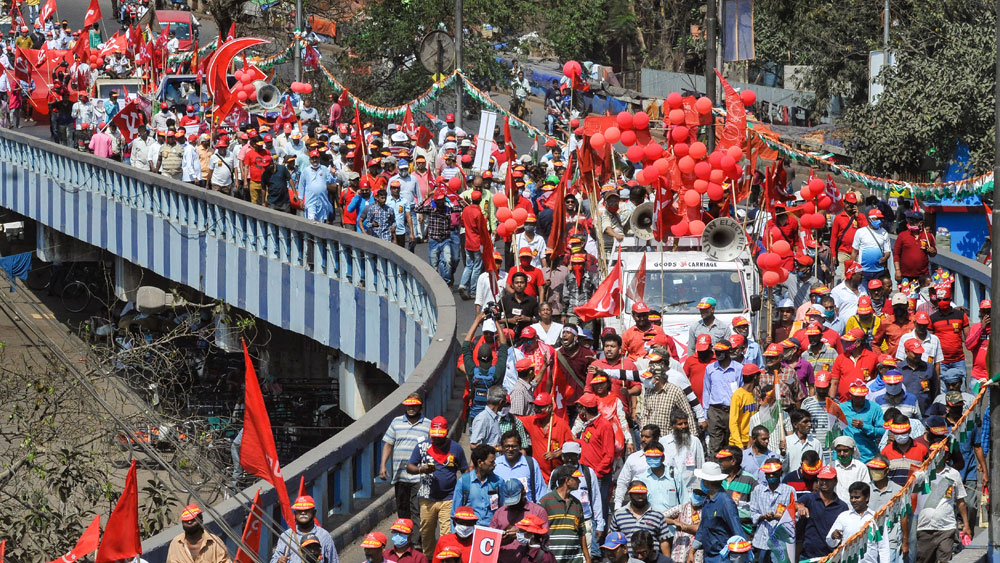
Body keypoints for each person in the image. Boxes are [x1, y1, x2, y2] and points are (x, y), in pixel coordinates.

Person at [407, 417, 469, 557]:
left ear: (446, 433)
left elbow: (465, 470)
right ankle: (428, 558)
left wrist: (466, 490)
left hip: (449, 497)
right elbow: (410, 466)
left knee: (446, 532)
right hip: (427, 497)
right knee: (427, 532)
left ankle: (445, 557)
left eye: (439, 436)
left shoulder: (456, 448)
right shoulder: (422, 446)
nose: (435, 439)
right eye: (433, 435)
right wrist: (421, 469)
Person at [381, 394, 432, 543]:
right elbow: (388, 444)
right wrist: (382, 465)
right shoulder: (396, 422)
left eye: (414, 405)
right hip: (400, 475)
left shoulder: (428, 425)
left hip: (419, 476)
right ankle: (404, 541)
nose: (411, 408)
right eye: (408, 405)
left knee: (417, 510)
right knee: (403, 511)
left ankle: (416, 544)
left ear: (420, 407)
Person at [913, 443, 972, 563]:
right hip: (924, 528)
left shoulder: (953, 474)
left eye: (940, 453)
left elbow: (960, 501)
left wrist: (966, 525)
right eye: (934, 453)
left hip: (946, 527)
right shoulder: (921, 474)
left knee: (944, 559)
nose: (937, 456)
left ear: (946, 455)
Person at [688, 462, 742, 563]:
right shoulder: (707, 500)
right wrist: (692, 551)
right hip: (709, 555)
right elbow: (702, 527)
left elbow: (737, 531)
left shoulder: (725, 502)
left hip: (723, 557)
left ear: (707, 482)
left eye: (702, 480)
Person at [825, 483, 889, 563]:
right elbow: (830, 542)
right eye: (851, 497)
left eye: (857, 497)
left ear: (866, 498)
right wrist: (833, 536)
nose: (853, 500)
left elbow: (883, 546)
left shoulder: (876, 518)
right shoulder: (844, 516)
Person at [540, 465, 591, 563]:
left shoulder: (577, 504)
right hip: (553, 558)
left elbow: (582, 532)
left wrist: (587, 558)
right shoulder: (545, 502)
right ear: (567, 480)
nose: (579, 482)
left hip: (574, 559)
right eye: (576, 479)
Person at [748, 459, 795, 563]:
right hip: (762, 540)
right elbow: (753, 513)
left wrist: (782, 518)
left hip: (781, 541)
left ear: (780, 473)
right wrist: (763, 516)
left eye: (774, 473)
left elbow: (795, 517)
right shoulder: (758, 489)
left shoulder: (789, 490)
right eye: (768, 474)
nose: (771, 476)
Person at [520, 392, 575, 480]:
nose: (536, 409)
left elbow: (572, 447)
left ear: (549, 408)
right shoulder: (532, 421)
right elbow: (515, 419)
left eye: (540, 407)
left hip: (557, 476)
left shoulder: (562, 424)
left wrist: (556, 454)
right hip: (538, 476)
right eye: (535, 406)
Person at [608, 481, 670, 558]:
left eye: (643, 493)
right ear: (629, 494)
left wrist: (668, 560)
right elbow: (612, 540)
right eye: (636, 493)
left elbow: (664, 541)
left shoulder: (657, 515)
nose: (640, 496)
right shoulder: (619, 515)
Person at [491, 479, 548, 561]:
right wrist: (503, 540)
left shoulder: (538, 511)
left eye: (515, 501)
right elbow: (490, 540)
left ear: (523, 493)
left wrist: (523, 533)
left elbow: (545, 541)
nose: (513, 505)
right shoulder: (499, 513)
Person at [865, 455, 908, 563]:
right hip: (869, 542)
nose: (874, 472)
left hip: (891, 541)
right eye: (872, 469)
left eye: (878, 469)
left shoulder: (898, 491)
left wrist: (905, 542)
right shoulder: (865, 490)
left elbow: (903, 517)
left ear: (886, 471)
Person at [270, 496, 340, 563]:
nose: (303, 513)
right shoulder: (287, 536)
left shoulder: (324, 536)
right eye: (299, 511)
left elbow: (333, 560)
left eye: (306, 510)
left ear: (314, 513)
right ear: (295, 513)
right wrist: (279, 561)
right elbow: (274, 560)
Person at [703, 338, 743, 454]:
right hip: (715, 410)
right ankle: (714, 468)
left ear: (729, 351)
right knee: (715, 445)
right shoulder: (710, 368)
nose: (719, 354)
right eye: (717, 351)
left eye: (722, 351)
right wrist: (705, 414)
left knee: (732, 443)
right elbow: (706, 391)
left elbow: (742, 390)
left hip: (733, 410)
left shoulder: (738, 369)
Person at [928, 288, 969, 386]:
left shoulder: (960, 315)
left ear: (950, 300)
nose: (942, 302)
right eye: (939, 300)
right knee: (943, 390)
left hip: (959, 360)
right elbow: (930, 341)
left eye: (945, 299)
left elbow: (969, 338)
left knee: (962, 389)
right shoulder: (933, 318)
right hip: (941, 362)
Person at [494, 431, 548, 503]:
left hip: (527, 511)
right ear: (502, 447)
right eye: (507, 446)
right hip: (503, 511)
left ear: (520, 447)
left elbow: (540, 490)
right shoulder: (495, 465)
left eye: (514, 446)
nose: (510, 449)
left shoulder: (530, 463)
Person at [165, 505, 230, 563]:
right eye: (186, 520)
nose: (189, 522)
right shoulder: (176, 543)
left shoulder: (214, 542)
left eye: (193, 519)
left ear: (201, 520)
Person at [838, 381, 884, 462]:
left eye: (862, 396)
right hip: (847, 458)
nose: (859, 399)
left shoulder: (875, 408)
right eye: (856, 396)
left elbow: (883, 431)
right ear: (850, 395)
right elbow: (836, 432)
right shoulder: (842, 408)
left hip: (868, 457)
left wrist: (864, 427)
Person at [830, 329, 879, 402]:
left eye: (849, 342)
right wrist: (831, 401)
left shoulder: (873, 357)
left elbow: (877, 380)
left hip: (866, 401)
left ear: (858, 343)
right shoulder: (841, 358)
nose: (846, 344)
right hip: (844, 402)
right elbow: (834, 381)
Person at [830, 192, 866, 278]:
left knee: (856, 276)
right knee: (845, 276)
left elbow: (866, 232)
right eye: (848, 203)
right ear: (844, 203)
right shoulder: (838, 218)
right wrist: (833, 254)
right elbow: (834, 237)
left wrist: (858, 217)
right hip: (843, 251)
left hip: (858, 252)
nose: (850, 206)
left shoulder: (861, 217)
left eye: (853, 204)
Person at [892, 211, 936, 282]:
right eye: (910, 220)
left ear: (921, 223)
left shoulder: (928, 236)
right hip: (906, 276)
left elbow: (933, 254)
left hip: (923, 276)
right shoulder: (902, 236)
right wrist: (897, 270)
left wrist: (933, 251)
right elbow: (896, 254)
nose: (911, 222)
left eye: (914, 221)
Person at [829, 436, 871, 503]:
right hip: (836, 506)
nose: (842, 454)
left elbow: (866, 488)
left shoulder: (861, 467)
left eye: (845, 451)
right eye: (839, 451)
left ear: (852, 451)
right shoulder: (831, 467)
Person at [297, 151, 337, 222]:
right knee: (311, 220)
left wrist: (333, 173)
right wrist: (300, 199)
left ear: (319, 159)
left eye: (316, 158)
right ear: (310, 160)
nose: (314, 160)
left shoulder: (324, 169)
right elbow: (301, 185)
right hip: (310, 201)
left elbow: (330, 181)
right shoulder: (306, 171)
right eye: (312, 158)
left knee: (320, 222)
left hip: (322, 201)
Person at [728, 364, 760, 449]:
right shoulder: (738, 395)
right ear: (755, 377)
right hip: (738, 444)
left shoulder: (753, 393)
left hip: (750, 442)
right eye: (759, 375)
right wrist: (739, 446)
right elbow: (733, 422)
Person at [784, 408, 821, 473]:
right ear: (795, 425)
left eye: (810, 422)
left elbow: (820, 466)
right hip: (792, 481)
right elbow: (783, 468)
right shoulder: (787, 442)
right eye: (805, 422)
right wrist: (782, 454)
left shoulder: (815, 443)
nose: (809, 425)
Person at [965, 299, 991, 382]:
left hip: (994, 374)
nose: (987, 315)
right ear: (980, 313)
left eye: (989, 311)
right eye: (984, 311)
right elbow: (968, 346)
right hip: (978, 375)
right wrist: (981, 329)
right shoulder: (975, 328)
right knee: (975, 395)